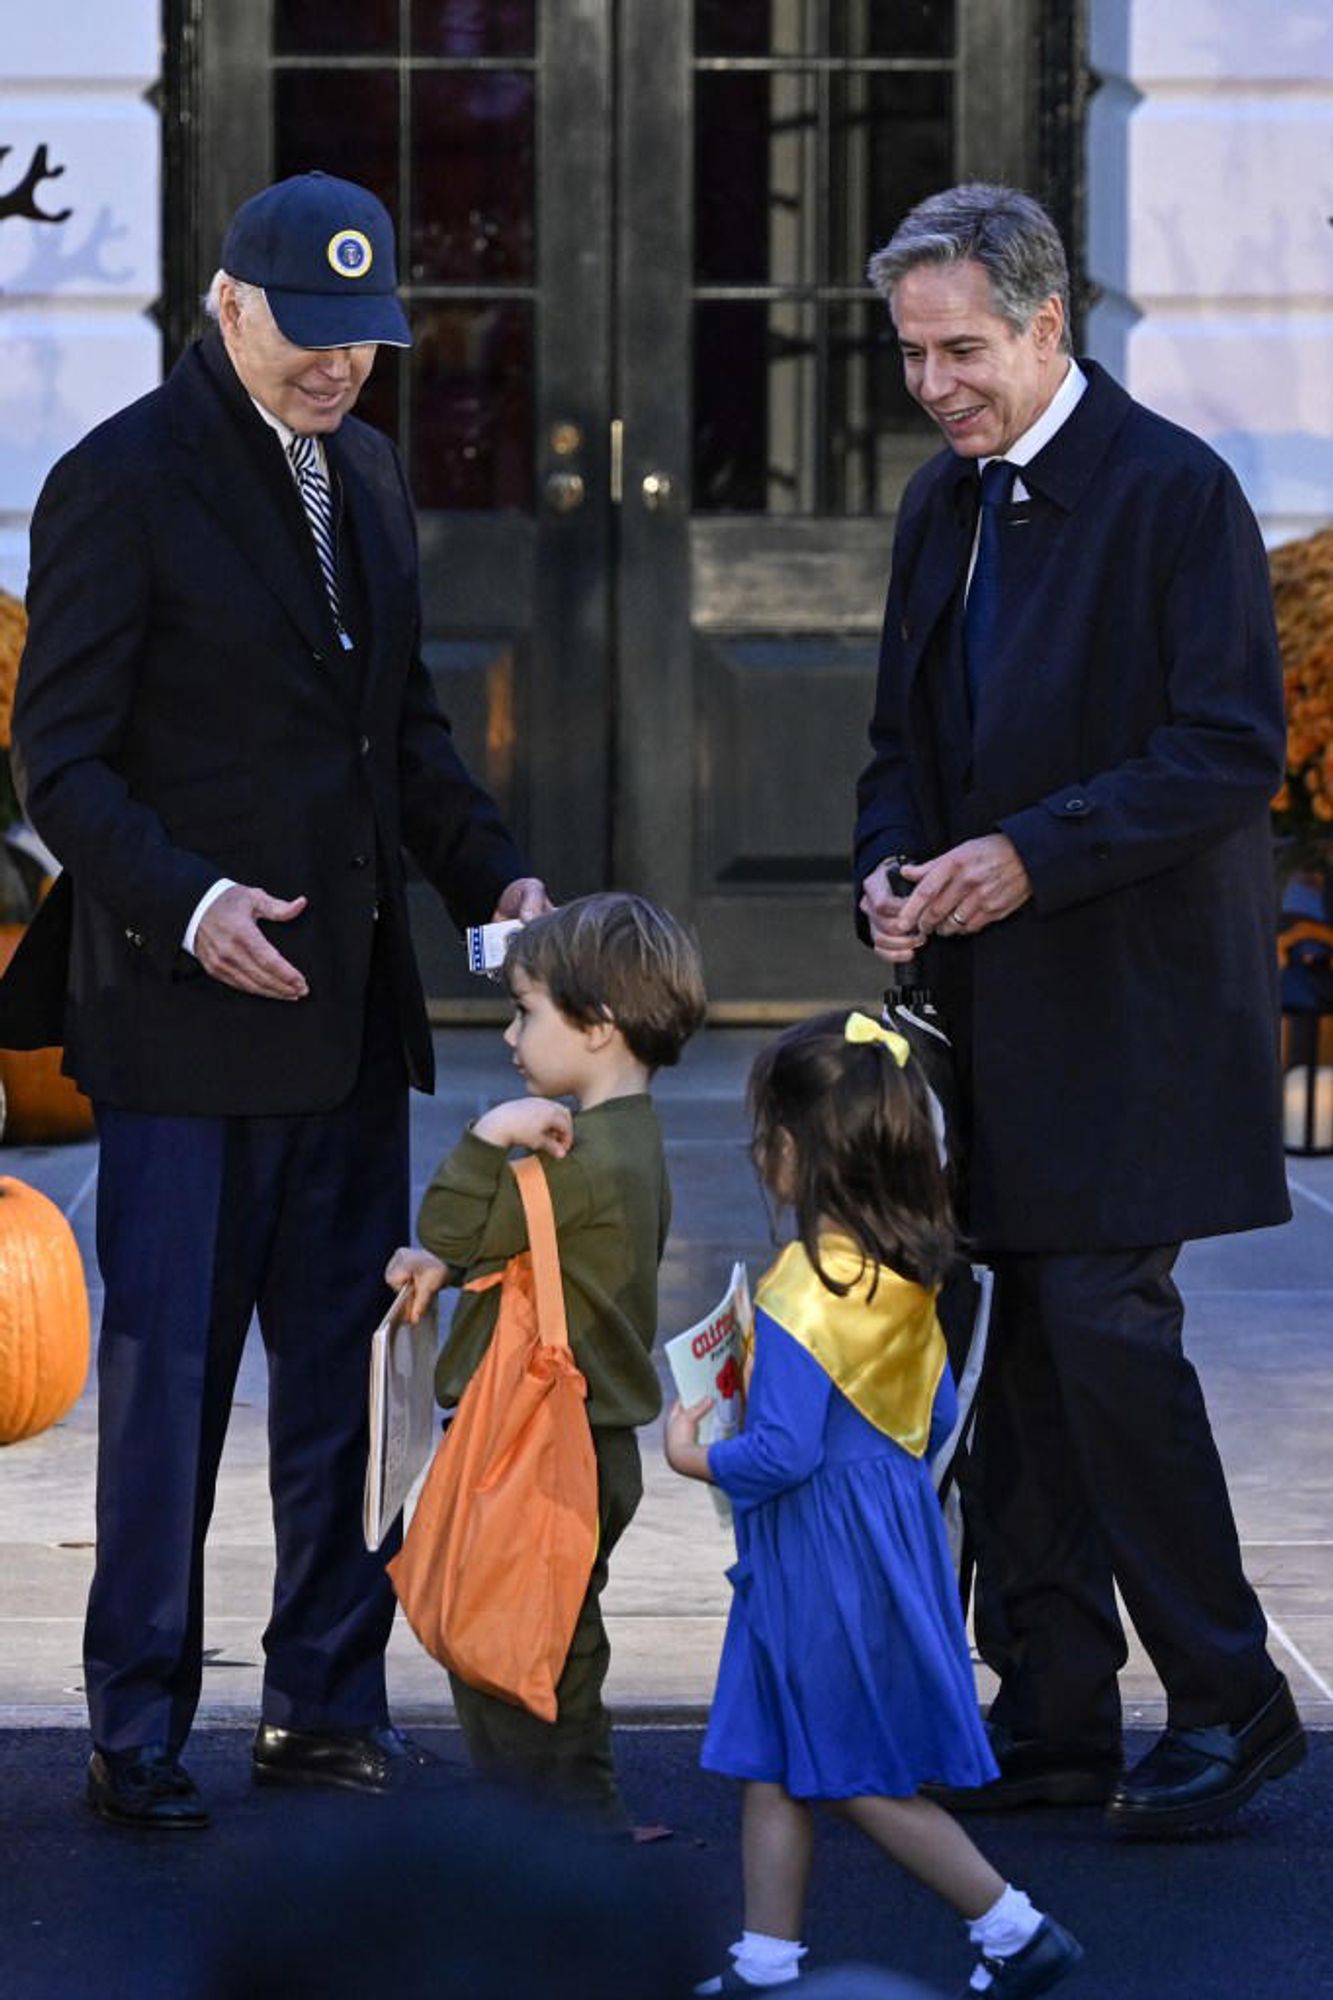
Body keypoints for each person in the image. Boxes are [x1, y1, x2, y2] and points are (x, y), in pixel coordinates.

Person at [0, 171, 549, 1829]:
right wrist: (190, 900)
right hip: (178, 1025)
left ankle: (322, 1699)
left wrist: (498, 882)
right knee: (167, 1387)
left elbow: (404, 739)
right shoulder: (118, 482)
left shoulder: (369, 477)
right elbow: (62, 764)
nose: (339, 369)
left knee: (344, 1378)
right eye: (309, 335)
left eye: (364, 340)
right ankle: (139, 1723)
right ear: (228, 306)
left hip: (344, 1025)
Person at [854, 182, 1303, 1833]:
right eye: (909, 352)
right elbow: (899, 748)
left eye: (959, 347)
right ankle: (1046, 1713)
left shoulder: (1172, 494)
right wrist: (886, 869)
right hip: (976, 1008)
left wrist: (1025, 857)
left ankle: (1228, 1697)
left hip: (1128, 1007)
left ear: (1050, 324)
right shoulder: (936, 504)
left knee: (1105, 1341)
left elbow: (1222, 751)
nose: (932, 381)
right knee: (1011, 1366)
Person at [666, 1012, 1082, 1999]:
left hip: (816, 1558)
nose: (756, 1145)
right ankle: (765, 1962)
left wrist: (696, 1454)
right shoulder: (906, 1272)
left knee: (850, 1772)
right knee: (774, 1757)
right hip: (879, 1537)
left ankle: (1012, 1925)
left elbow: (782, 1450)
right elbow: (931, 1412)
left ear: (798, 1153)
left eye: (766, 1128)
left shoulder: (799, 1289)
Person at [387, 891, 707, 1830]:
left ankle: (558, 1846)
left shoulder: (574, 1158)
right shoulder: (629, 1143)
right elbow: (509, 1247)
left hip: (540, 1443)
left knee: (511, 1656)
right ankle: (568, 1833)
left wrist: (487, 1137)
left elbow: (456, 1223)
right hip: (585, 1442)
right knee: (555, 1644)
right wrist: (452, 1265)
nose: (509, 1035)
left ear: (599, 1026)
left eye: (525, 1010)